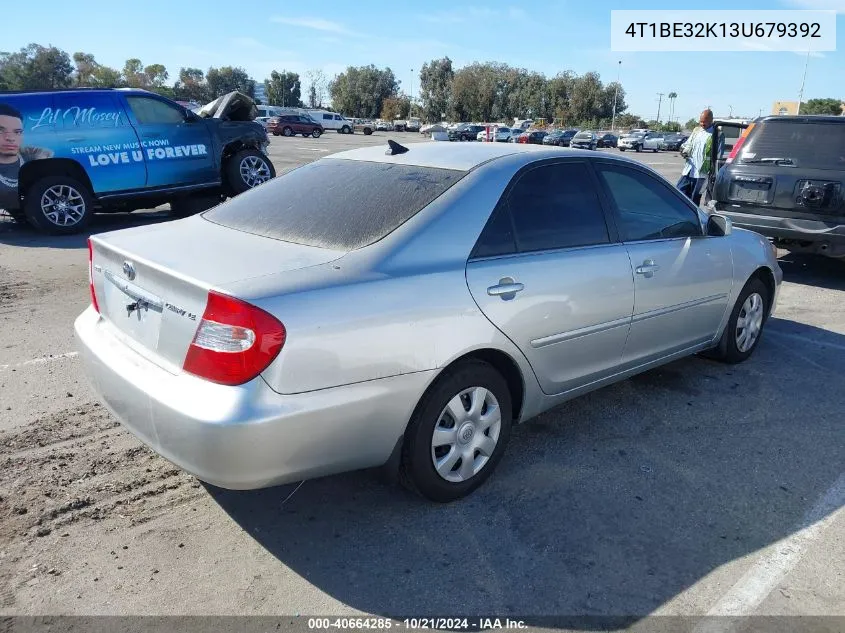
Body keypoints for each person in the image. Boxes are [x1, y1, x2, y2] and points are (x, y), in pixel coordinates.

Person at [0, 103, 52, 211]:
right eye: (0, 131)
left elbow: (46, 152)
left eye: (17, 132)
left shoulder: (31, 159)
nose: (10, 138)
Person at [676, 108, 714, 206]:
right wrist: (683, 150)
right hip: (689, 169)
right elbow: (687, 144)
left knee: (694, 198)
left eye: (704, 122)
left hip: (702, 172)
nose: (702, 124)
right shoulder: (696, 131)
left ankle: (693, 218)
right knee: (679, 192)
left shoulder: (716, 134)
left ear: (711, 120)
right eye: (700, 122)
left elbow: (718, 155)